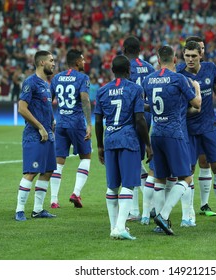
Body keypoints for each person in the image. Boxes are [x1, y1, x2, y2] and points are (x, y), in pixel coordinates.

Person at [142, 45, 201, 235]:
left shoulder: (148, 80)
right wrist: (197, 89)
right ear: (175, 59)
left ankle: (159, 220)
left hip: (156, 132)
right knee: (186, 177)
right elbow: (196, 104)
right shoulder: (179, 78)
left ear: (158, 60)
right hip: (174, 133)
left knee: (160, 178)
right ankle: (164, 215)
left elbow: (147, 104)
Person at [94, 55, 153, 240]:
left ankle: (114, 227)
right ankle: (120, 227)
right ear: (129, 70)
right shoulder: (135, 89)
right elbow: (139, 119)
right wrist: (148, 145)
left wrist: (100, 146)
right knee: (128, 184)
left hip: (110, 139)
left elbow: (97, 120)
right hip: (128, 140)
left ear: (112, 70)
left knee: (112, 187)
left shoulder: (102, 91)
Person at [178, 39, 216, 225]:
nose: (190, 59)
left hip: (210, 126)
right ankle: (188, 214)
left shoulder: (210, 68)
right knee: (189, 170)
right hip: (188, 129)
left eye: (194, 56)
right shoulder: (179, 73)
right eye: (187, 56)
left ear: (200, 55)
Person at [14, 50, 56, 221]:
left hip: (48, 134)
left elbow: (45, 107)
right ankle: (19, 210)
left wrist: (52, 122)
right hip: (34, 135)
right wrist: (40, 127)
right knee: (31, 172)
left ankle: (38, 209)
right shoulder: (30, 82)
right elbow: (22, 108)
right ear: (41, 63)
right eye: (51, 61)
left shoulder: (46, 83)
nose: (53, 63)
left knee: (47, 171)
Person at [49, 49, 92, 209]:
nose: (84, 62)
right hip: (77, 124)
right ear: (76, 62)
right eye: (82, 60)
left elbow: (48, 101)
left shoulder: (57, 78)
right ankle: (76, 192)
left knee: (59, 162)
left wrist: (51, 120)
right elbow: (85, 98)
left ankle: (53, 200)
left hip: (60, 124)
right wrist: (89, 123)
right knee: (86, 158)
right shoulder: (82, 78)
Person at [122, 35, 155, 222]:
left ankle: (135, 210)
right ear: (140, 50)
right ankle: (150, 203)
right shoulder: (149, 68)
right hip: (147, 116)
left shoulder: (125, 68)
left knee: (132, 162)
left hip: (132, 116)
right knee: (137, 160)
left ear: (125, 50)